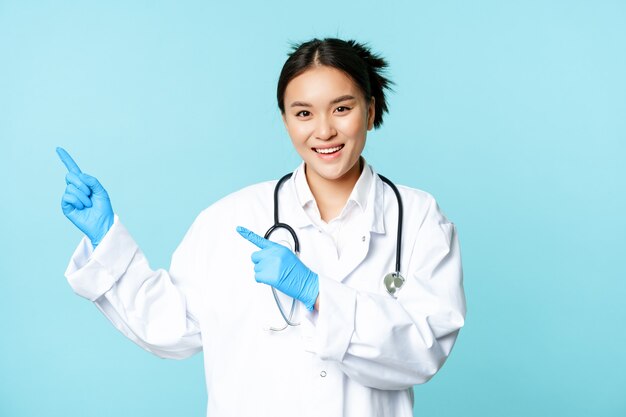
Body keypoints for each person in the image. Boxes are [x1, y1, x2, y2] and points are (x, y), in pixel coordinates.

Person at [58, 38, 466, 417]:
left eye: (342, 108)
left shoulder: (418, 218)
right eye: (303, 113)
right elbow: (168, 326)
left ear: (371, 109)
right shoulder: (229, 220)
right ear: (286, 120)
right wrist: (106, 240)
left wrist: (318, 293)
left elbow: (425, 349)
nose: (324, 130)